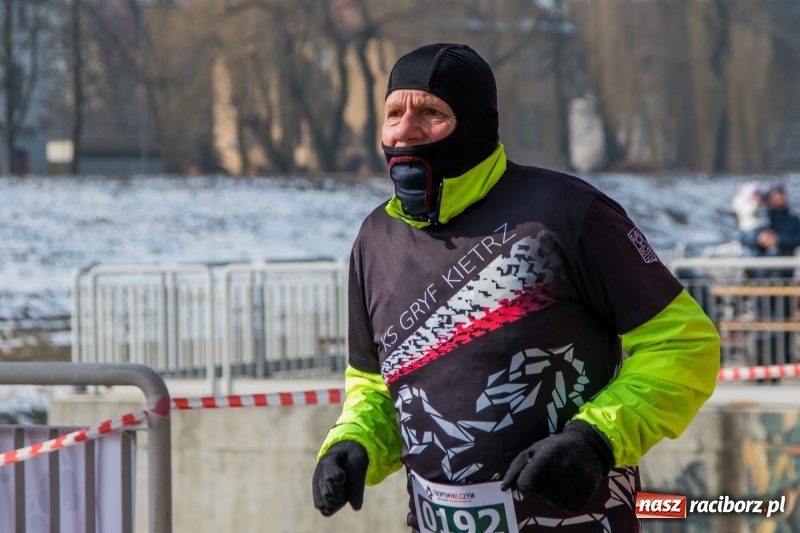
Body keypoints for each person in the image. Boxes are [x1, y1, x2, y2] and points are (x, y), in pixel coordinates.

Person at [312, 43, 720, 532]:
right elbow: (377, 384)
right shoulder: (375, 239)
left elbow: (683, 345)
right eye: (393, 113)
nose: (406, 131)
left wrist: (595, 440)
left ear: (477, 124)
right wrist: (354, 442)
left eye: (431, 113)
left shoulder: (568, 212)